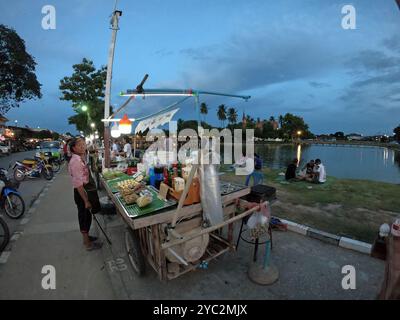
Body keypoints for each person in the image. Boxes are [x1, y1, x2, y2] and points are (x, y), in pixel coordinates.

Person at [68, 137, 102, 251]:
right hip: (82, 192)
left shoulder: (79, 158)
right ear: (73, 148)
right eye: (79, 145)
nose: (83, 146)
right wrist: (86, 200)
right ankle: (87, 244)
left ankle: (87, 238)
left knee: (87, 216)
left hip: (85, 190)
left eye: (84, 144)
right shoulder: (76, 161)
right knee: (84, 217)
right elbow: (78, 184)